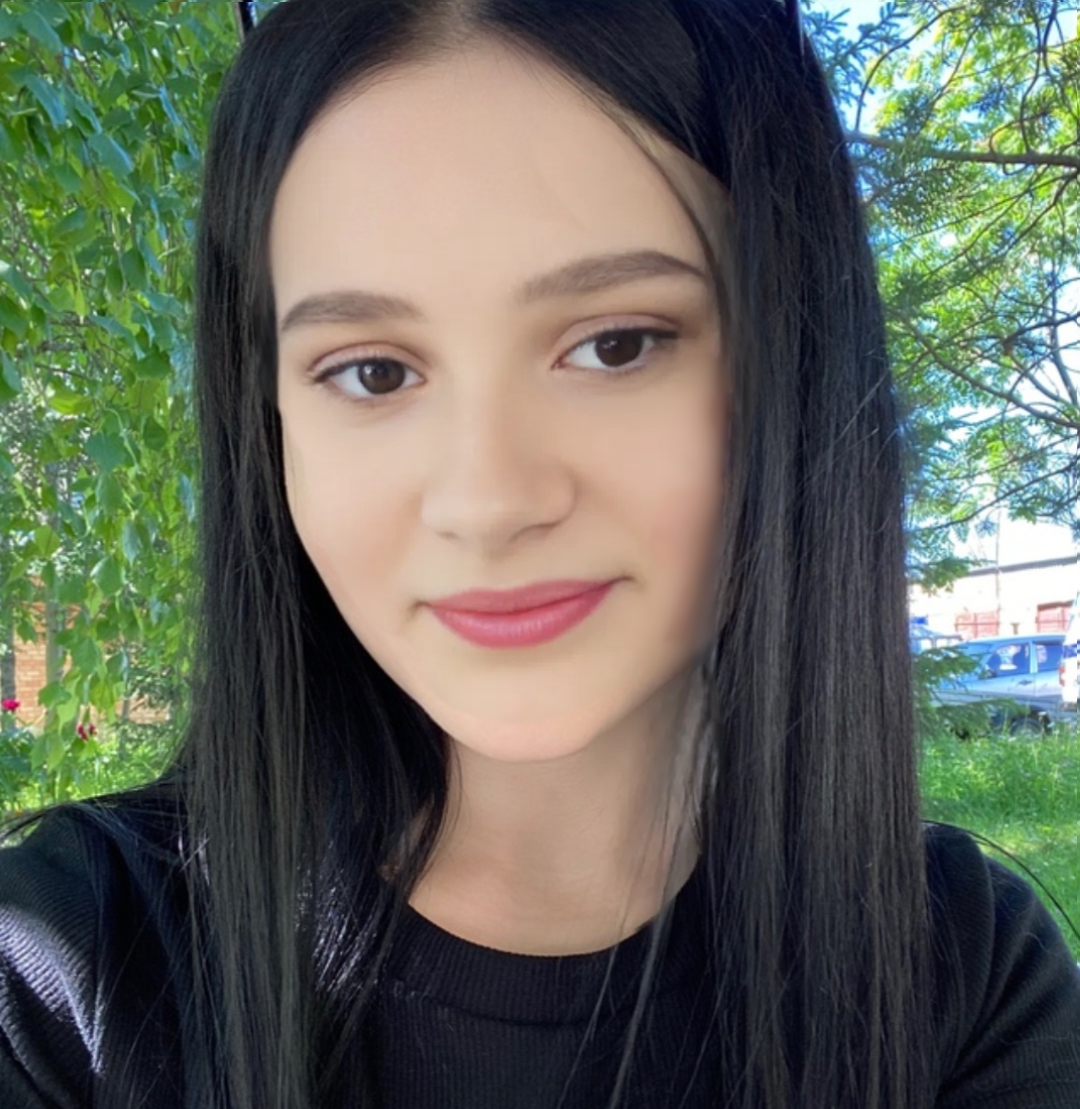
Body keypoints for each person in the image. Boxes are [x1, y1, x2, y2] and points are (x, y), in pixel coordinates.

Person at [1, 1, 1078, 1107]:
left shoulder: (966, 977)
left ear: (793, 361)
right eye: (373, 371)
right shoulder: (59, 974)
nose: (489, 501)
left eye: (615, 344)